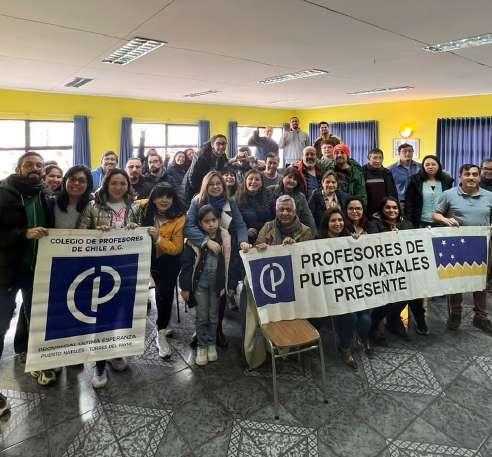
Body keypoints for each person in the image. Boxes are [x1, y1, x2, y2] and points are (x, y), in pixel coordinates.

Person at [78, 168, 142, 388]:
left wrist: (135, 229)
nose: (118, 187)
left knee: (119, 315)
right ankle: (99, 364)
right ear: (106, 184)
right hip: (99, 271)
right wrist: (96, 232)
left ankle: (113, 351)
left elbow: (141, 235)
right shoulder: (93, 205)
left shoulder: (134, 206)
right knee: (101, 318)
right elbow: (79, 234)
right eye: (114, 183)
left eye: (123, 183)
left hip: (125, 270)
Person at [0, 152, 55, 392]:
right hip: (7, 272)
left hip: (37, 270)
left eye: (39, 165)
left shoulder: (45, 193)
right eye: (29, 164)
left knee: (38, 319)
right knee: (1, 325)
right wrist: (23, 234)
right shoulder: (3, 191)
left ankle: (39, 364)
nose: (35, 168)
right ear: (18, 168)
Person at [184, 171, 251, 346]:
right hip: (201, 253)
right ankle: (200, 330)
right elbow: (188, 226)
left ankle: (217, 329)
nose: (215, 186)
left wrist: (243, 241)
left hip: (225, 253)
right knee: (201, 294)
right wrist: (206, 241)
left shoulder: (230, 202)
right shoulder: (197, 201)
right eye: (211, 184)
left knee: (220, 292)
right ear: (205, 186)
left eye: (218, 183)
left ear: (223, 185)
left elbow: (240, 225)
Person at [433, 163, 492, 334]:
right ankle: (456, 314)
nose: (471, 177)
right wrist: (445, 220)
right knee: (456, 280)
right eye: (467, 174)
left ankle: (480, 317)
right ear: (460, 176)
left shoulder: (489, 196)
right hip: (456, 244)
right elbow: (435, 214)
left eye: (474, 174)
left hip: (482, 244)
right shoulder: (448, 194)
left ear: (479, 177)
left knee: (481, 281)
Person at [318, 207, 372, 367]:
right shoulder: (317, 241)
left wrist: (357, 244)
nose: (338, 223)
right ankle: (345, 348)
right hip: (333, 293)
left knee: (365, 319)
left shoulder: (349, 238)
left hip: (354, 290)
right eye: (333, 220)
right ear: (326, 223)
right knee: (350, 317)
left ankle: (361, 337)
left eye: (340, 220)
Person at [369, 197, 428, 341]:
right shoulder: (374, 224)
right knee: (390, 301)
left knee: (413, 294)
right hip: (384, 272)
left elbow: (415, 242)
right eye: (388, 207)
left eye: (395, 207)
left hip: (405, 270)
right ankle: (374, 325)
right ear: (382, 209)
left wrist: (426, 234)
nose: (392, 210)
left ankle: (397, 320)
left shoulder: (407, 224)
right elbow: (372, 244)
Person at [180, 205, 231, 366]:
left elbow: (229, 260)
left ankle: (211, 344)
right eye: (206, 221)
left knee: (213, 316)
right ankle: (202, 346)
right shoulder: (194, 240)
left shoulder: (225, 236)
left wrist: (228, 284)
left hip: (217, 286)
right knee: (202, 317)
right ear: (200, 223)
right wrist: (185, 287)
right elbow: (186, 264)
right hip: (200, 286)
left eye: (213, 220)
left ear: (219, 220)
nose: (211, 224)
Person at [143, 183, 186, 358]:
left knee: (164, 294)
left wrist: (158, 238)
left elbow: (177, 248)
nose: (164, 200)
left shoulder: (179, 217)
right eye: (160, 196)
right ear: (153, 198)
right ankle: (162, 324)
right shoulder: (143, 208)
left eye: (169, 196)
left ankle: (160, 332)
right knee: (158, 293)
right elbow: (128, 205)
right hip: (148, 258)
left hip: (169, 261)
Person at [266, 166, 317, 236]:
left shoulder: (300, 197)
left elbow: (307, 217)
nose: (292, 181)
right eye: (289, 177)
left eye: (295, 179)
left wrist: (314, 235)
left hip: (293, 231)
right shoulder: (270, 190)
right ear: (283, 177)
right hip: (272, 230)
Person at [405, 155, 454, 227]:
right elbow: (409, 202)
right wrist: (409, 221)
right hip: (420, 222)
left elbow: (450, 201)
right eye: (427, 165)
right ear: (423, 166)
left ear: (438, 166)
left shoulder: (446, 180)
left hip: (442, 221)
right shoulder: (415, 180)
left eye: (433, 164)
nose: (430, 167)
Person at [183, 135, 229, 204]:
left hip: (209, 189)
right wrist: (202, 192)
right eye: (218, 143)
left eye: (224, 143)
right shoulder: (201, 156)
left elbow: (224, 166)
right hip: (192, 190)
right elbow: (192, 179)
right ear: (212, 145)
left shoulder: (223, 155)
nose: (221, 146)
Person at [236, 169, 274, 245]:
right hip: (244, 238)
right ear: (245, 181)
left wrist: (261, 229)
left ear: (261, 183)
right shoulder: (237, 198)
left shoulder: (269, 196)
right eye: (251, 179)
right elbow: (235, 221)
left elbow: (272, 217)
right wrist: (246, 230)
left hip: (266, 235)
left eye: (257, 179)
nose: (253, 181)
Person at [362, 148, 397, 216]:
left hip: (385, 211)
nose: (378, 161)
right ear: (369, 159)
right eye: (375, 158)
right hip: (367, 212)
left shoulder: (387, 173)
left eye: (380, 158)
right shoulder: (362, 172)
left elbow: (392, 193)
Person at [388, 143, 420, 211]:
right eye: (404, 151)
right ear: (399, 153)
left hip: (417, 201)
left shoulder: (420, 167)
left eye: (410, 151)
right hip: (400, 202)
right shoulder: (390, 169)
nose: (408, 153)